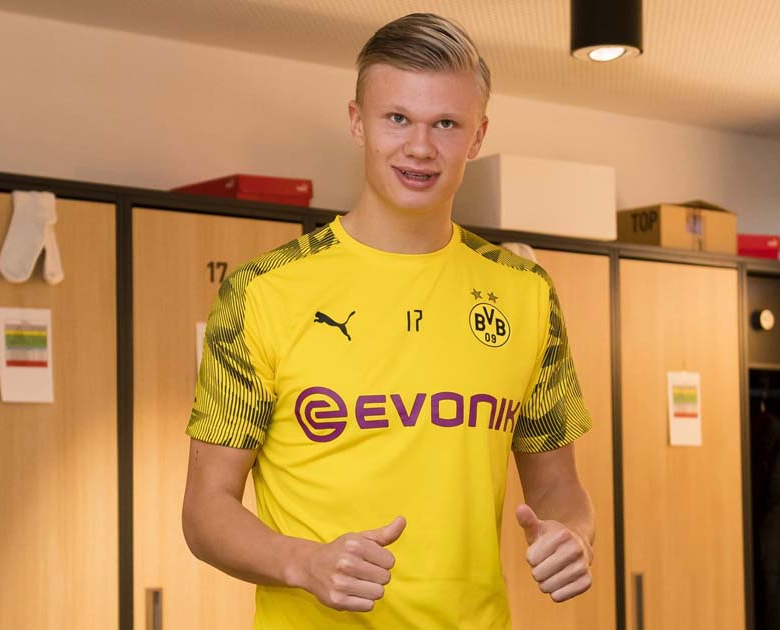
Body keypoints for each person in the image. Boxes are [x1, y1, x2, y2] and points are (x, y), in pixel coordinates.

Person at [182, 13, 596, 629]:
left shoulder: (527, 294)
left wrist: (573, 535)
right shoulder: (261, 292)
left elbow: (558, 483)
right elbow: (205, 509)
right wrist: (303, 563)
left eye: (446, 124)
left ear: (477, 135)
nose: (420, 147)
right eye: (397, 118)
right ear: (358, 122)